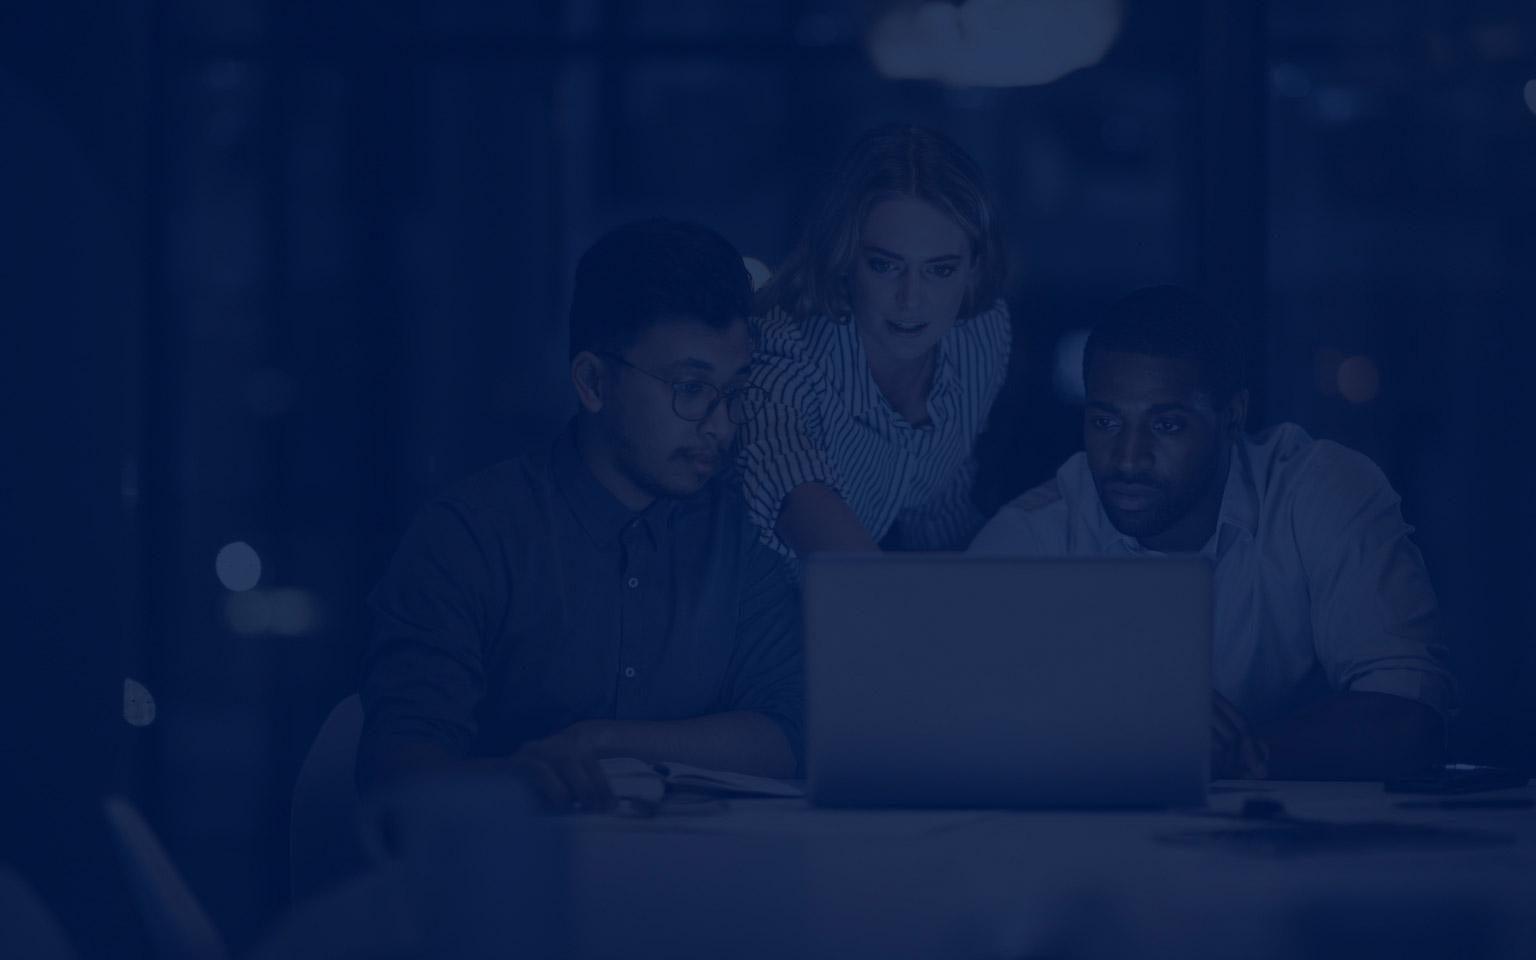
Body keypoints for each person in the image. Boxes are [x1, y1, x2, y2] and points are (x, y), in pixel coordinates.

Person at [357, 219, 803, 809]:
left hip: (709, 884)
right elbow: (397, 778)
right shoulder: (472, 536)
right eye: (691, 389)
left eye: (735, 390)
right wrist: (528, 780)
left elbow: (790, 733)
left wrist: (606, 744)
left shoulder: (744, 529)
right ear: (594, 383)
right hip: (511, 884)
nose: (721, 425)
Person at [971, 286, 1454, 780]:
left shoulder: (1318, 493)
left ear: (1233, 416)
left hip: (1305, 847)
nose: (1127, 458)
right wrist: (1127, 722)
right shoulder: (1032, 538)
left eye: (1166, 426)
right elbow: (952, 720)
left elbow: (1409, 718)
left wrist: (1234, 754)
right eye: (1106, 421)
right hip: (1095, 850)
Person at [739, 123, 1012, 559]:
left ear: (974, 267)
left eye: (940, 270)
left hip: (867, 604)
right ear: (845, 258)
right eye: (885, 266)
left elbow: (937, 510)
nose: (911, 300)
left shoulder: (977, 334)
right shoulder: (785, 359)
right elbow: (846, 566)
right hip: (757, 613)